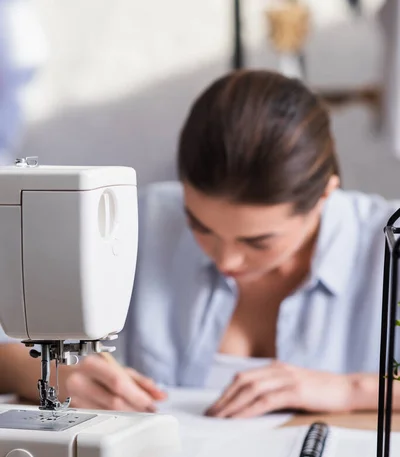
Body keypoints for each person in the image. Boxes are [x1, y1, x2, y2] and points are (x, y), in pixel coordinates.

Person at [0, 69, 398, 417]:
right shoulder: (142, 218)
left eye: (258, 241)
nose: (227, 259)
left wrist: (350, 389)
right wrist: (48, 373)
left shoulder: (389, 243)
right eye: (199, 225)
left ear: (325, 196)